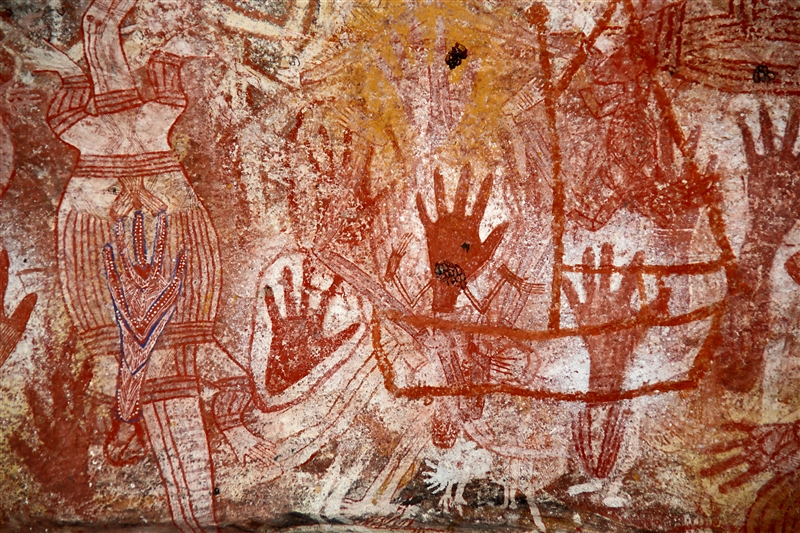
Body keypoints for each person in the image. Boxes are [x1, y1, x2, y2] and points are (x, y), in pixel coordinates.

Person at [45, 0, 275, 530]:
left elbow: (91, 288)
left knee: (117, 93)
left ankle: (128, 48)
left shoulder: (122, 388)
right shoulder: (164, 373)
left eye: (127, 441)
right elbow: (229, 381)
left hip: (110, 211)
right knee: (124, 99)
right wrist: (236, 422)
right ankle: (136, 50)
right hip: (154, 220)